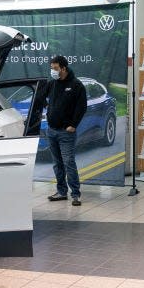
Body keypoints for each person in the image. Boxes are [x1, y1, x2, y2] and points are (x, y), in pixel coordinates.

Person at [42, 55, 87, 206]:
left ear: (63, 68)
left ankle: (75, 194)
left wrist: (73, 125)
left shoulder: (76, 85)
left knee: (68, 162)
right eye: (51, 68)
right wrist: (47, 109)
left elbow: (81, 108)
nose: (52, 71)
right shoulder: (52, 84)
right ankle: (61, 192)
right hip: (52, 130)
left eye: (55, 68)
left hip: (66, 132)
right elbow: (41, 97)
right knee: (57, 163)